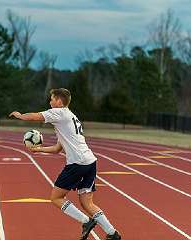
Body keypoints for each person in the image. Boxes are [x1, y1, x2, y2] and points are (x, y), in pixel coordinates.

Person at [9, 88, 121, 240]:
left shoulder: (59, 113)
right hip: (90, 161)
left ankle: (86, 221)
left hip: (77, 163)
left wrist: (21, 116)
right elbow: (57, 149)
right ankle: (112, 233)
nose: (50, 102)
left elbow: (36, 116)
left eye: (52, 99)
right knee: (87, 203)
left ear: (59, 102)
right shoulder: (69, 117)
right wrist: (38, 149)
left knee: (56, 197)